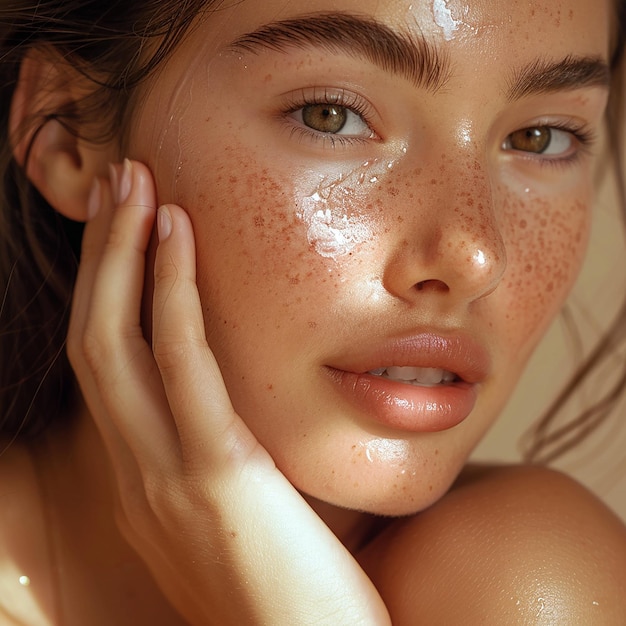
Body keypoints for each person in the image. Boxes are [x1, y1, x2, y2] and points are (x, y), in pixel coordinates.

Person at [1, 0, 626, 623]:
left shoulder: (529, 585)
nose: (474, 256)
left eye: (540, 137)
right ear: (68, 129)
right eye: (332, 116)